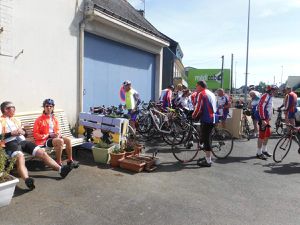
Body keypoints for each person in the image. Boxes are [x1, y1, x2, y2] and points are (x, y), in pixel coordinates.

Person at [0, 101, 73, 190]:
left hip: (23, 141)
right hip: (10, 143)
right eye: (13, 107)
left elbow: (25, 134)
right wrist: (11, 133)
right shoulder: (0, 121)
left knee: (42, 153)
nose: (15, 109)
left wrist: (23, 132)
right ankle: (27, 179)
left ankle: (61, 170)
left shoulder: (16, 120)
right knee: (20, 157)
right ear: (6, 109)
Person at [33, 99, 79, 168]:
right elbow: (35, 135)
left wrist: (57, 134)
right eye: (47, 106)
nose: (49, 108)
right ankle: (58, 163)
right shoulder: (39, 120)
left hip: (54, 138)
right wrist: (48, 135)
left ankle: (70, 160)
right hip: (45, 140)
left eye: (50, 106)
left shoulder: (54, 119)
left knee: (68, 140)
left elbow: (57, 130)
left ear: (53, 107)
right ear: (44, 107)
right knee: (60, 141)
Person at [192, 80, 217, 167]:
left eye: (196, 86)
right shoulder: (211, 93)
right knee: (206, 137)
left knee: (206, 139)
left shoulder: (202, 94)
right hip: (212, 117)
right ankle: (207, 157)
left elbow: (198, 107)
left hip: (207, 119)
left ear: (200, 86)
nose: (196, 88)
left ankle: (208, 161)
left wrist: (193, 116)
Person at [256, 86, 276, 160]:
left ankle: (264, 150)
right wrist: (263, 119)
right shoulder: (265, 96)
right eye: (274, 90)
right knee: (262, 135)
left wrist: (269, 116)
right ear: (270, 90)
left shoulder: (270, 96)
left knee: (267, 134)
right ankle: (259, 153)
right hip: (263, 119)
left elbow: (269, 108)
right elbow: (261, 106)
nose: (275, 92)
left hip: (266, 118)